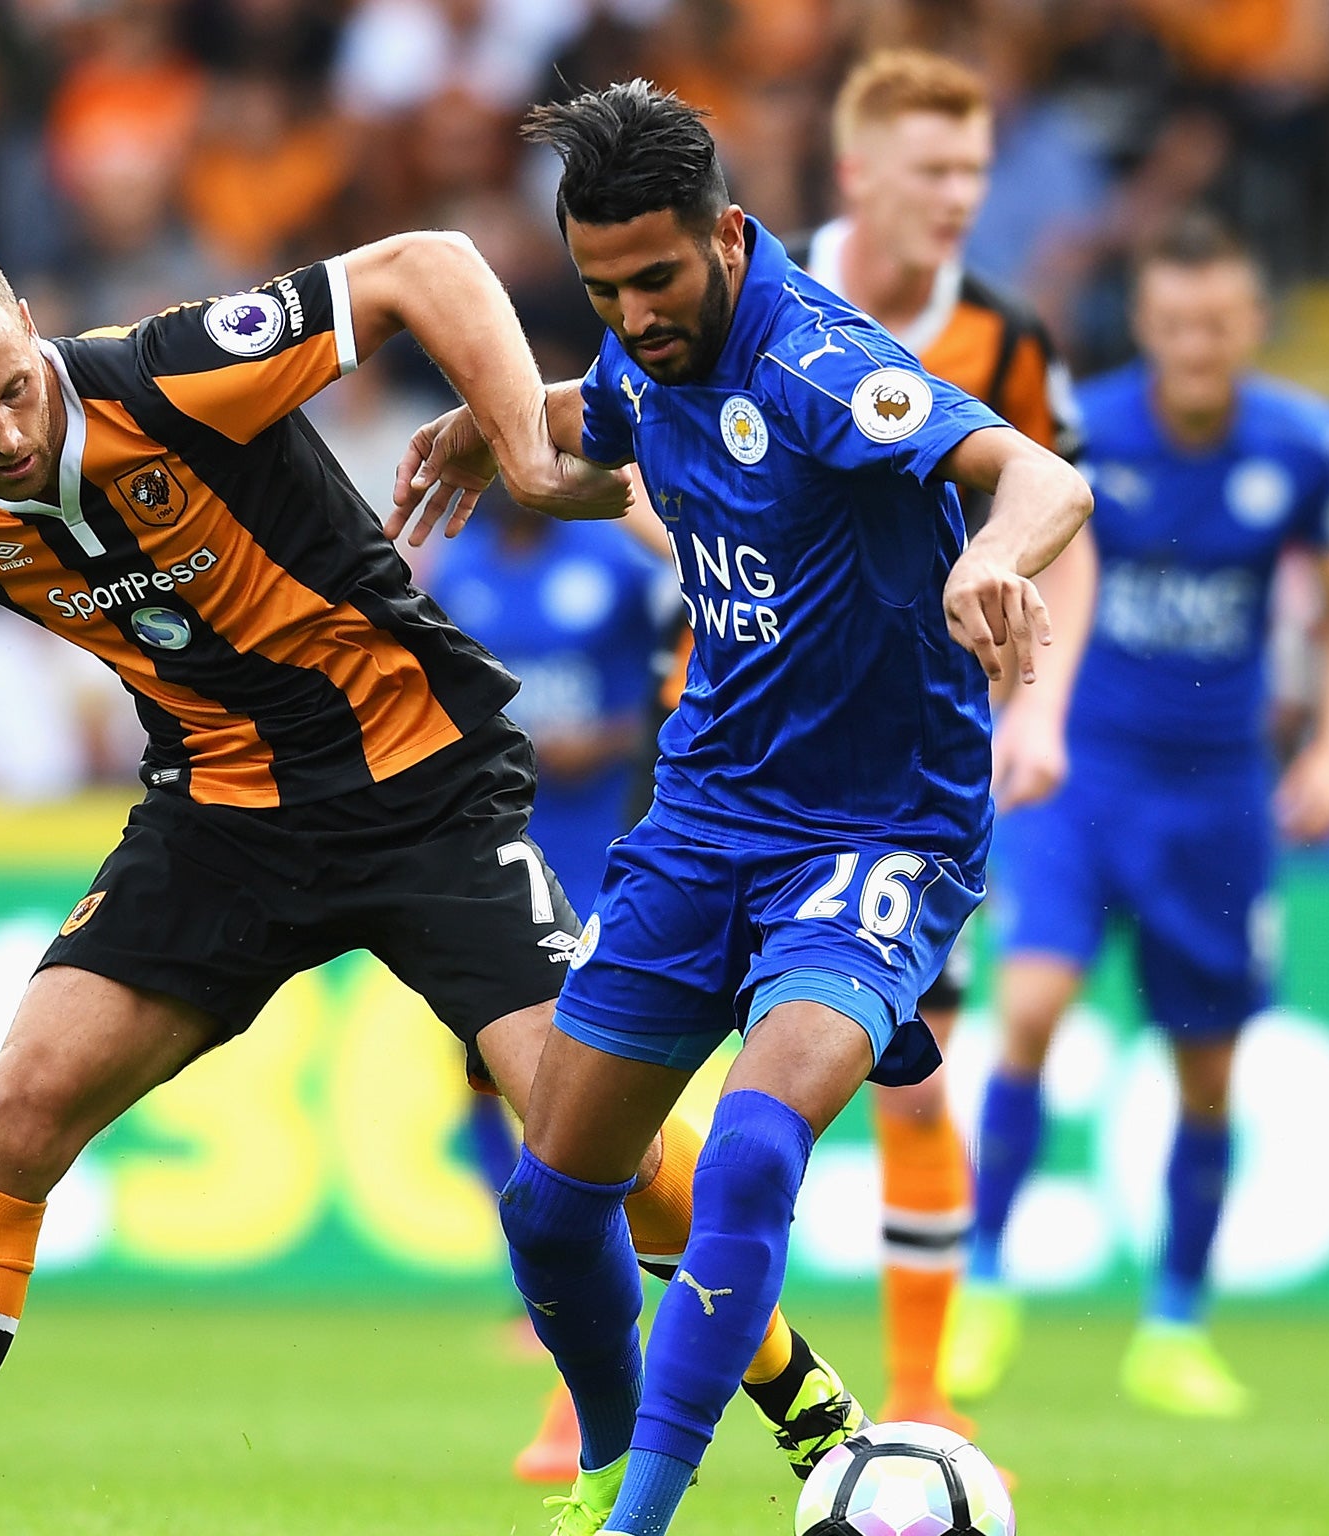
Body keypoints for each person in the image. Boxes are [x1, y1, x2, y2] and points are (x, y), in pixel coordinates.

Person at [0, 229, 854, 1536]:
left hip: (423, 788)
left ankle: (808, 1411)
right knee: (10, 1112)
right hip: (221, 817)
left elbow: (428, 264)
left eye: (13, 387)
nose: (2, 433)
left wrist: (516, 442)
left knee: (583, 1130)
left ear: (31, 322)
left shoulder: (166, 373)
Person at [392, 82, 1091, 1536]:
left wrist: (991, 563)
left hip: (879, 828)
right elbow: (612, 425)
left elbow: (1037, 475)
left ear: (729, 234)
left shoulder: (826, 365)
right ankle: (617, 1455)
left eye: (657, 278)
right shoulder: (649, 348)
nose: (636, 310)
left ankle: (636, 1516)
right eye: (603, 287)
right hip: (707, 813)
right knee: (554, 1196)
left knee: (760, 1144)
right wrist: (502, 425)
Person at [943, 211, 1329, 1418]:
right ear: (1145, 324)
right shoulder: (1084, 433)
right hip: (1085, 773)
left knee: (1206, 1071)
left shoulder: (1304, 445)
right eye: (1175, 323)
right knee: (1030, 1005)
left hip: (1218, 796)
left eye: (1219, 321)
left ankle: (1174, 1324)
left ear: (1250, 322)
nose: (1197, 343)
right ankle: (978, 1284)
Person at [791, 47, 1095, 1432]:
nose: (960, 197)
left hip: (913, 765)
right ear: (861, 173)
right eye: (933, 170)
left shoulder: (1011, 339)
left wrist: (1045, 709)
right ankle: (592, 1396)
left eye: (974, 170)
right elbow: (627, 451)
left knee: (911, 1091)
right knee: (642, 1082)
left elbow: (1068, 520)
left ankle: (922, 1401)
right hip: (732, 745)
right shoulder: (754, 298)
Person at [426, 485, 676, 1482]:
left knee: (580, 1096)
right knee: (484, 1083)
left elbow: (673, 680)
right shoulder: (461, 570)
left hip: (598, 845)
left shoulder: (615, 563)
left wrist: (607, 740)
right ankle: (538, 1296)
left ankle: (590, 1338)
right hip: (496, 849)